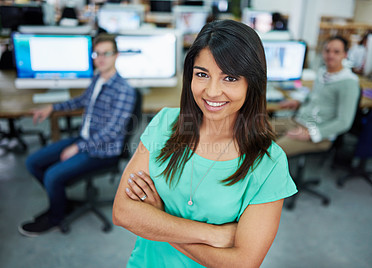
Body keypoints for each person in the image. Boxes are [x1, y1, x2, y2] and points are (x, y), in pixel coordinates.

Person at [113, 20, 297, 267]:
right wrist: (213, 234)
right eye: (202, 74)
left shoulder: (269, 163)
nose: (211, 92)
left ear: (251, 82)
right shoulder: (166, 123)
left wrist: (158, 218)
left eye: (229, 78)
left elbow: (242, 263)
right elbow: (123, 212)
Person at [18, 34, 137, 237]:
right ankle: (61, 202)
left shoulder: (123, 90)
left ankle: (56, 217)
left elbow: (113, 131)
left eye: (106, 53)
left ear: (116, 56)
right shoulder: (97, 78)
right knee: (33, 162)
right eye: (96, 54)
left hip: (103, 151)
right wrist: (52, 107)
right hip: (84, 139)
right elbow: (81, 101)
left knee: (52, 175)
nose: (101, 58)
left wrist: (77, 147)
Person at [276, 35, 360, 157]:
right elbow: (315, 96)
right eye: (327, 50)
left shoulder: (348, 82)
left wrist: (310, 134)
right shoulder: (322, 72)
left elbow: (344, 122)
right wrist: (299, 102)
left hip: (318, 134)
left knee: (272, 153)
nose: (330, 55)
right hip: (299, 121)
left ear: (345, 54)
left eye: (336, 52)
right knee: (254, 130)